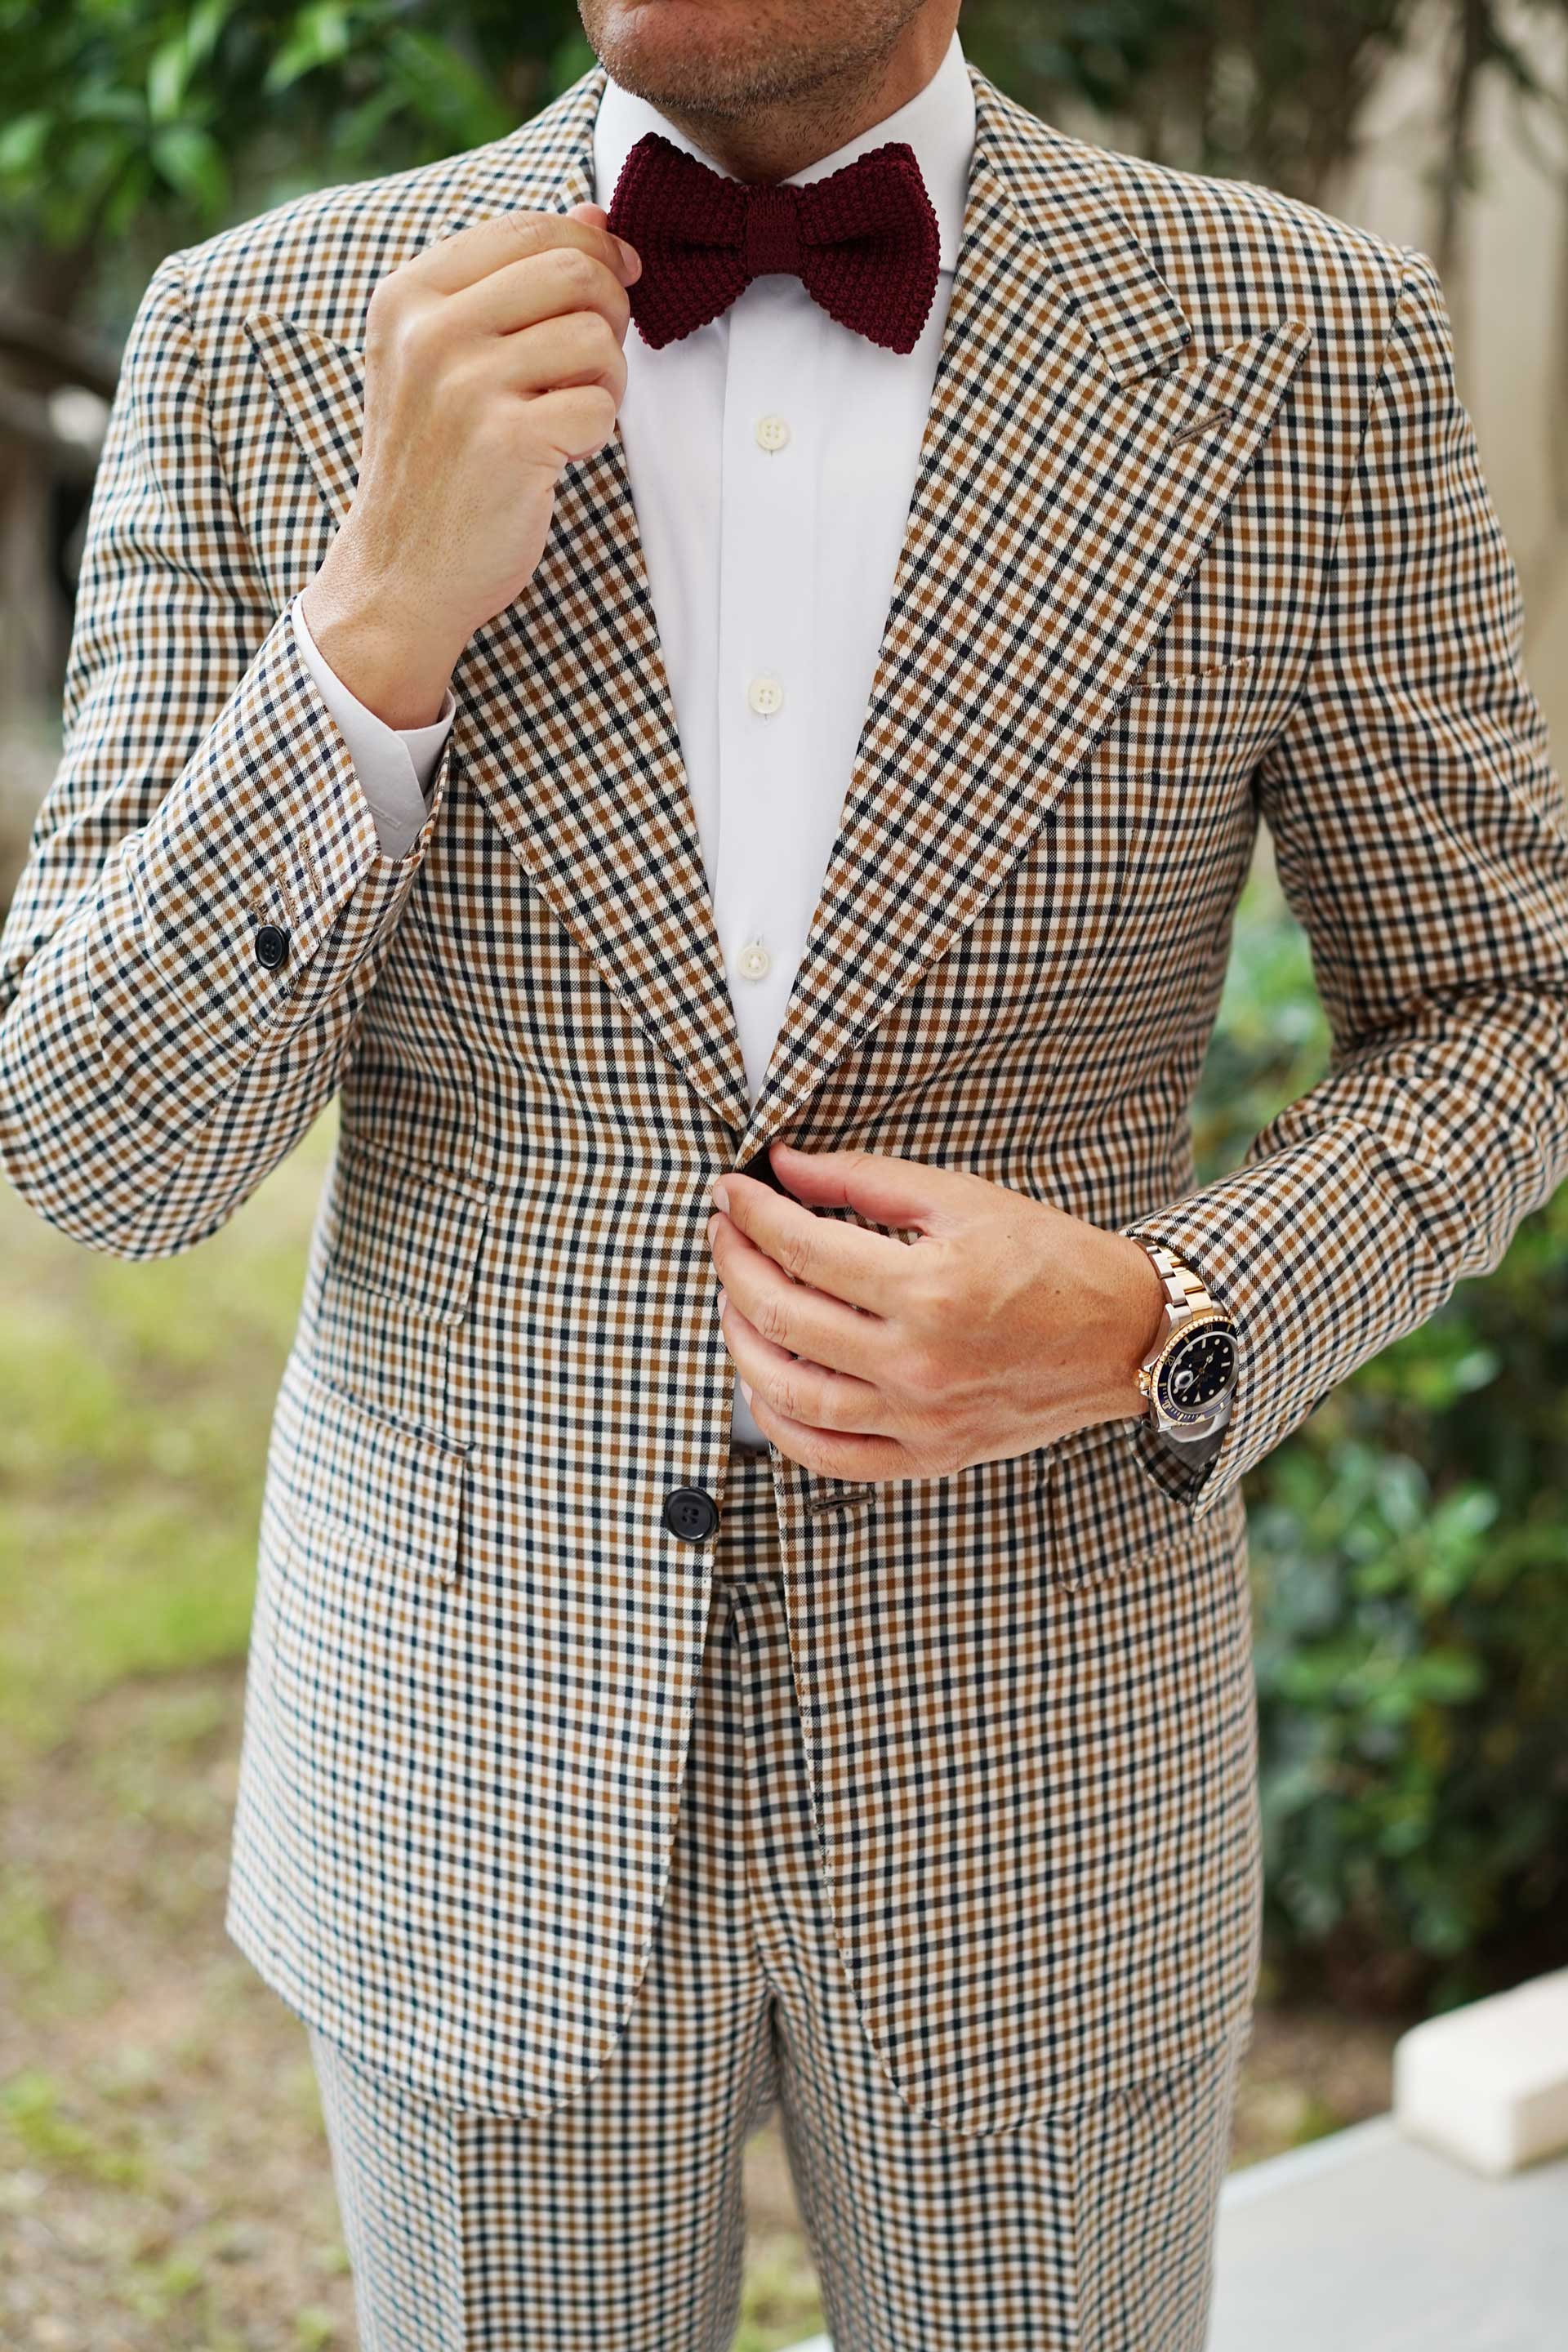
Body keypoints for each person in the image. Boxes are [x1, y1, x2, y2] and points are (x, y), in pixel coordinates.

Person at [3, 1, 1566, 2345]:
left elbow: (1505, 1011)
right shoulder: (263, 336)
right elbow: (100, 1151)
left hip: (1043, 1778)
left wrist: (1165, 1307)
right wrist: (371, 631)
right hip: (471, 1754)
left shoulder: (1298, 344)